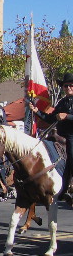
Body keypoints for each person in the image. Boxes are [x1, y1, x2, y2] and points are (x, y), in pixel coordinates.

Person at [30, 72, 73, 205]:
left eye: (71, 85)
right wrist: (37, 111)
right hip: (59, 135)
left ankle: (66, 188)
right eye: (66, 86)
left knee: (71, 156)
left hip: (72, 136)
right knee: (42, 149)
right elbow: (50, 118)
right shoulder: (61, 102)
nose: (68, 88)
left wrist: (67, 116)